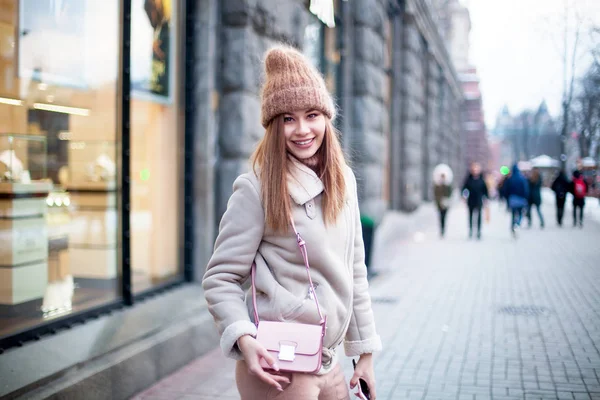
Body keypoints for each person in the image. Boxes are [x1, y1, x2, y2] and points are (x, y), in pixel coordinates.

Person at [202, 45, 381, 400]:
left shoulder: (343, 180)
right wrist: (243, 338)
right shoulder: (256, 188)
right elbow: (220, 277)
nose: (302, 129)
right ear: (273, 125)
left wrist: (365, 354)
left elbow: (354, 272)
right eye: (287, 118)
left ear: (326, 118)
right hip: (279, 365)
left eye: (312, 114)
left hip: (328, 362)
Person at [461, 162, 489, 239]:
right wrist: (463, 196)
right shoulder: (469, 179)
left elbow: (485, 190)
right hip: (471, 201)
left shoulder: (481, 179)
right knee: (470, 216)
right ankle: (470, 230)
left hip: (479, 200)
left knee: (479, 216)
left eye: (477, 169)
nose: (475, 170)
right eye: (474, 169)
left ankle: (478, 231)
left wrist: (486, 198)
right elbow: (464, 188)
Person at [503, 163, 529, 237]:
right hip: (521, 199)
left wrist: (507, 199)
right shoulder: (522, 178)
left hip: (512, 199)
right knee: (520, 213)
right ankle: (517, 223)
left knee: (513, 214)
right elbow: (526, 189)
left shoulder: (510, 179)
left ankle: (513, 225)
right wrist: (525, 198)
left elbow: (506, 190)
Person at [433, 172, 453, 237]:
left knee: (444, 216)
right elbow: (435, 194)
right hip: (439, 204)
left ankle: (443, 229)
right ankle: (441, 230)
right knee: (440, 217)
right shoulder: (437, 185)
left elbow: (450, 193)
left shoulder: (447, 185)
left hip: (445, 204)